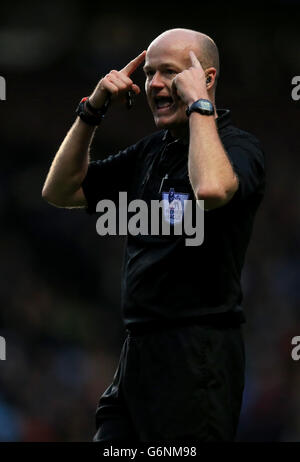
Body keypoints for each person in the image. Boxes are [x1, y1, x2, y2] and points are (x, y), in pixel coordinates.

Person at [42, 28, 265, 442]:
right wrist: (92, 110)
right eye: (148, 74)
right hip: (137, 356)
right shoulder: (151, 151)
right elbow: (60, 191)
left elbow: (212, 189)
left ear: (206, 78)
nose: (155, 84)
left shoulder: (240, 149)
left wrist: (199, 104)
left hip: (198, 359)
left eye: (169, 73)